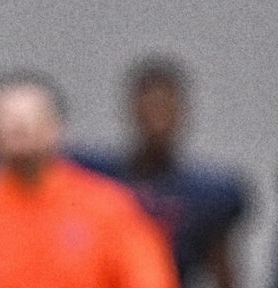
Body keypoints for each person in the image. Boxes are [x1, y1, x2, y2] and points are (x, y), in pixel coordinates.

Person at [0, 72, 178, 288]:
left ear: (57, 126)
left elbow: (148, 279)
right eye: (7, 118)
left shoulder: (108, 206)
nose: (20, 127)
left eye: (31, 117)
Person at [76, 56, 248, 288]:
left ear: (182, 114)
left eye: (166, 108)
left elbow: (224, 272)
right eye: (150, 108)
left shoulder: (209, 193)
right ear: (133, 110)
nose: (158, 121)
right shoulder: (97, 177)